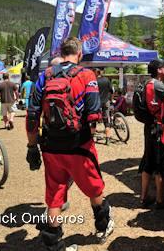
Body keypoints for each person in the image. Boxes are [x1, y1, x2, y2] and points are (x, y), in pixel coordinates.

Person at [26, 38, 114, 251]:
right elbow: (94, 116)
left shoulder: (44, 76)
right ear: (79, 53)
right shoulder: (86, 75)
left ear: (61, 52)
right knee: (94, 188)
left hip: (50, 145)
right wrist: (85, 141)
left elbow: (31, 116)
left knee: (55, 195)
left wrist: (32, 147)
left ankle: (54, 244)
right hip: (79, 145)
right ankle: (103, 226)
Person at [139, 59, 164, 209]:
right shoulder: (158, 85)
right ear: (159, 70)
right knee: (160, 164)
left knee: (148, 161)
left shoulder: (148, 84)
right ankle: (160, 200)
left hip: (149, 128)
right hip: (158, 129)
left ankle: (144, 196)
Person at [95, 69, 114, 145]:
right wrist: (111, 100)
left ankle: (92, 138)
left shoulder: (95, 81)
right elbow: (112, 91)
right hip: (106, 102)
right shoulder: (107, 80)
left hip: (97, 103)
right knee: (106, 120)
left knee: (94, 120)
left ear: (97, 72)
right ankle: (108, 139)